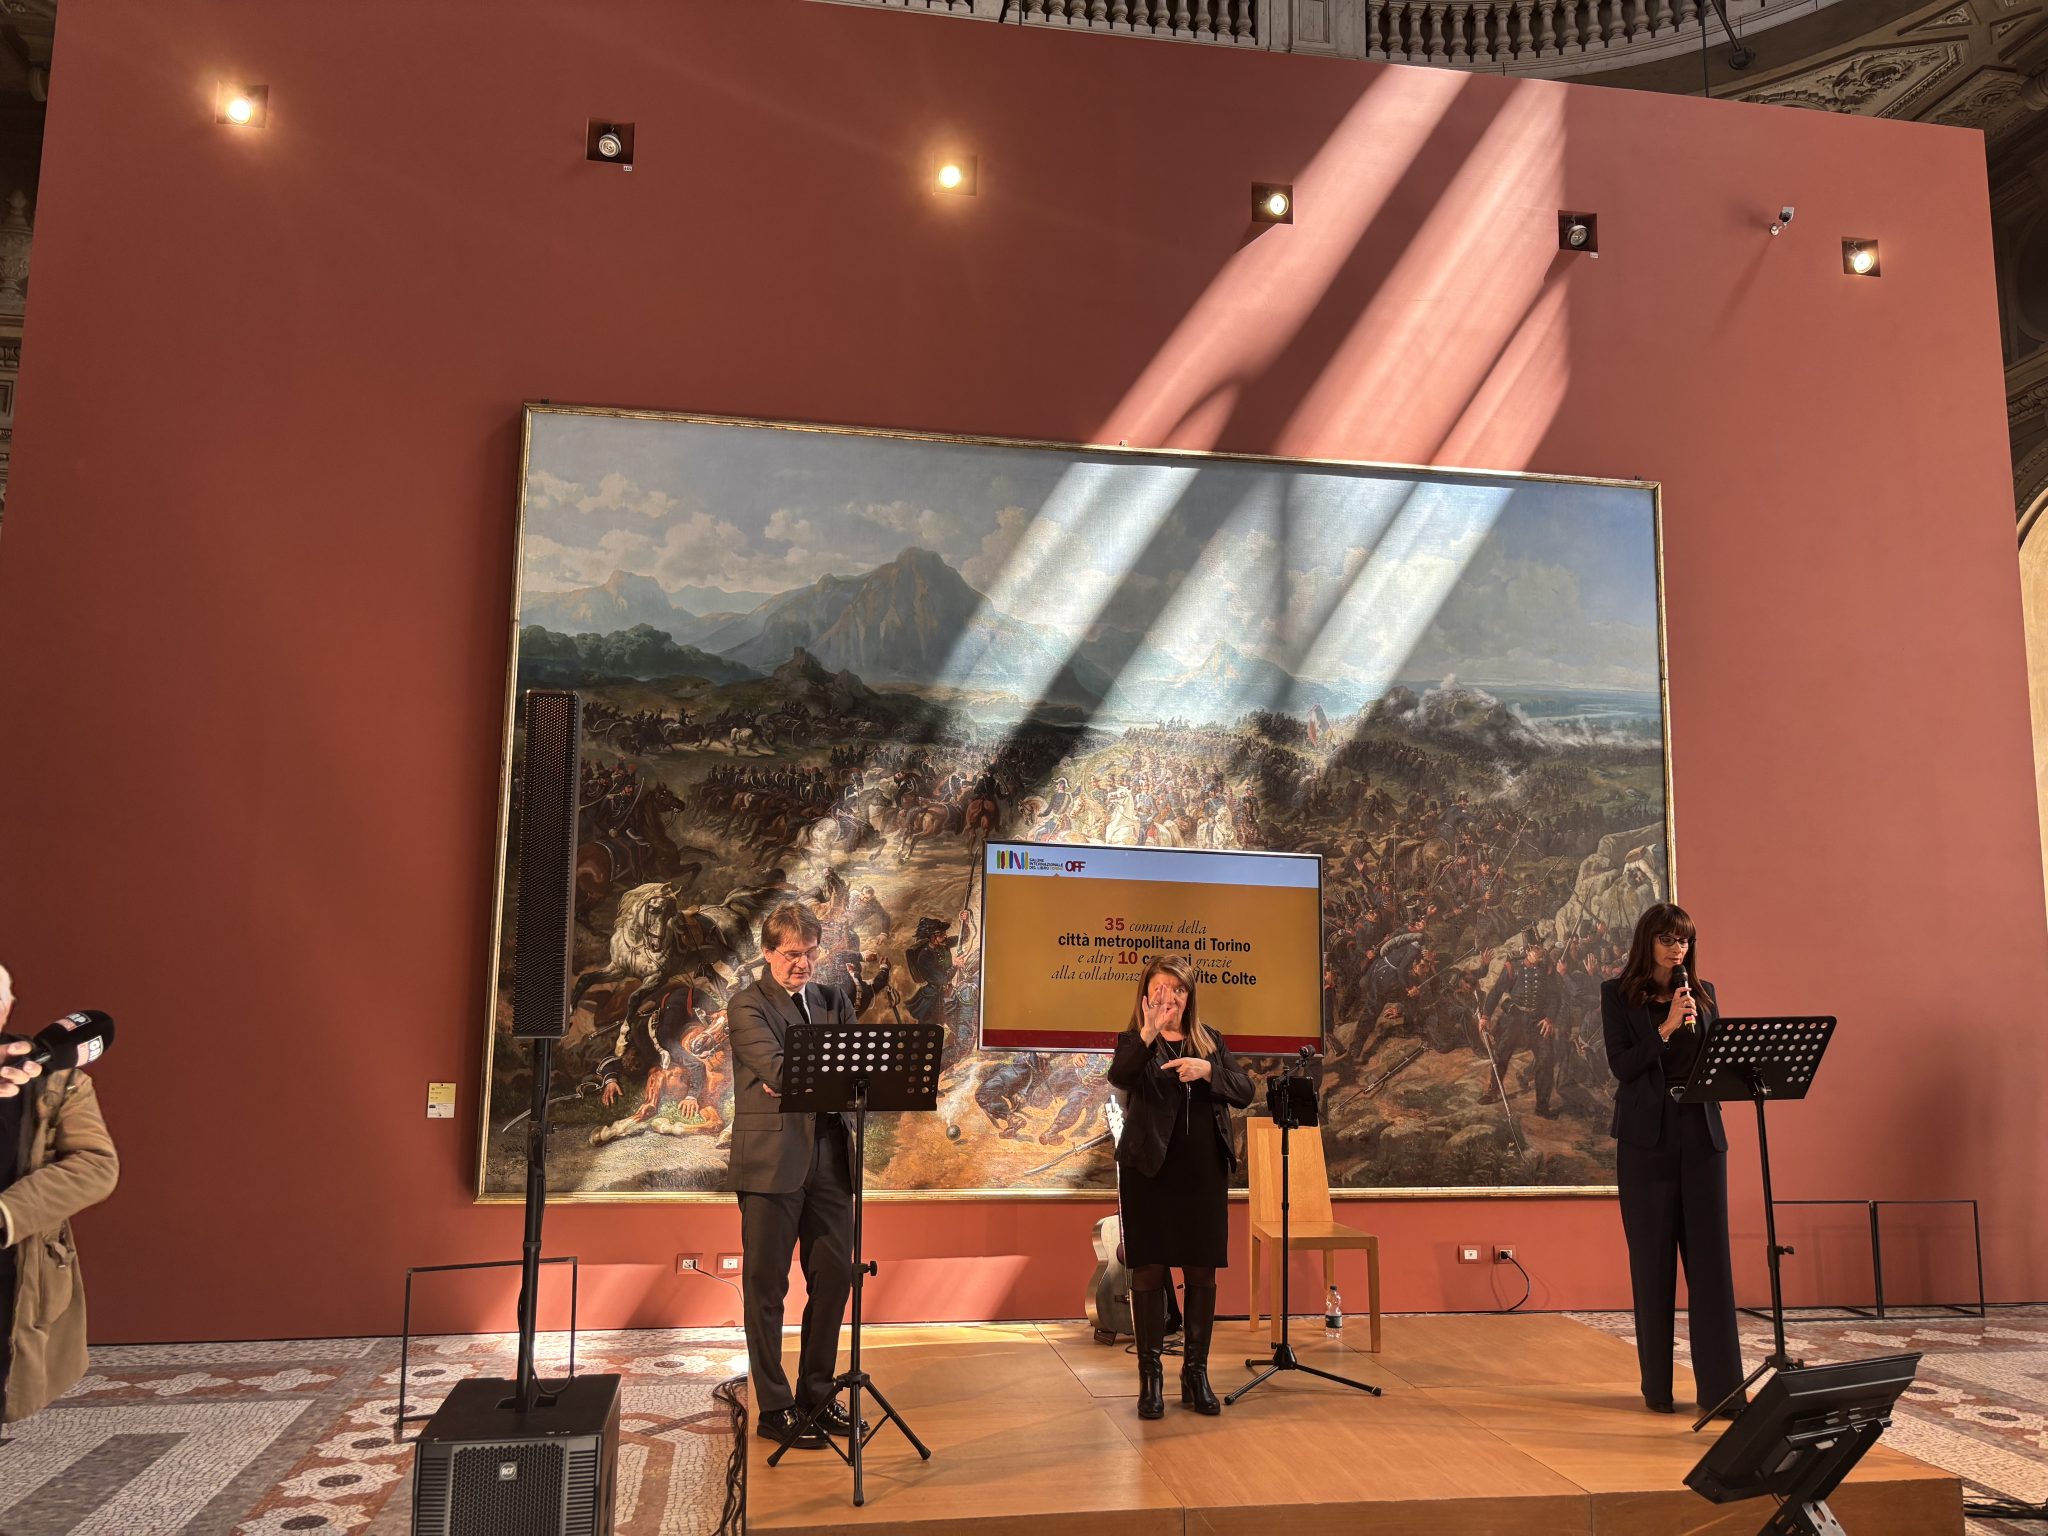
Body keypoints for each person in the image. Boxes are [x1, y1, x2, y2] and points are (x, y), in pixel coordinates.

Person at [723, 905, 866, 1450]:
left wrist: (801, 1077)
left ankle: (818, 1395)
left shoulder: (834, 1001)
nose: (801, 963)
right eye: (790, 954)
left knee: (835, 1278)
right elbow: (780, 1070)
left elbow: (858, 1069)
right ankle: (775, 1407)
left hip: (831, 1157)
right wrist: (802, 1075)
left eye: (809, 953)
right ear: (767, 952)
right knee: (767, 1288)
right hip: (771, 1162)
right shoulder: (747, 1005)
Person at [1601, 904, 1742, 1417]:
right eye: (1666, 939)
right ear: (1648, 942)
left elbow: (1718, 1062)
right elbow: (1621, 1066)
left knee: (1712, 1266)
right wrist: (1663, 1029)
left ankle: (1723, 1393)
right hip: (1646, 1140)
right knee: (1652, 1264)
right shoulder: (1617, 995)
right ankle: (1657, 1390)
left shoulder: (1704, 994)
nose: (1677, 948)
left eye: (1683, 940)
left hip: (1701, 1134)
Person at [1106, 957, 1254, 1419]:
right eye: (1160, 988)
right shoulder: (1134, 1041)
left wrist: (1207, 1071)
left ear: (1190, 997)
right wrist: (1149, 1032)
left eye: (1179, 989)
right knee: (1149, 1271)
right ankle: (1150, 1380)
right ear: (1145, 995)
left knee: (1201, 1272)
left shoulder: (1210, 1041)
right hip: (1148, 1174)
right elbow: (1120, 1077)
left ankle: (1196, 1374)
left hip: (1202, 1175)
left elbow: (1245, 1090)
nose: (1169, 997)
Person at [0, 963, 120, 1424]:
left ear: (7, 1008)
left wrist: (7, 1214)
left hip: (17, 1265)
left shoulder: (57, 1080)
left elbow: (95, 1166)